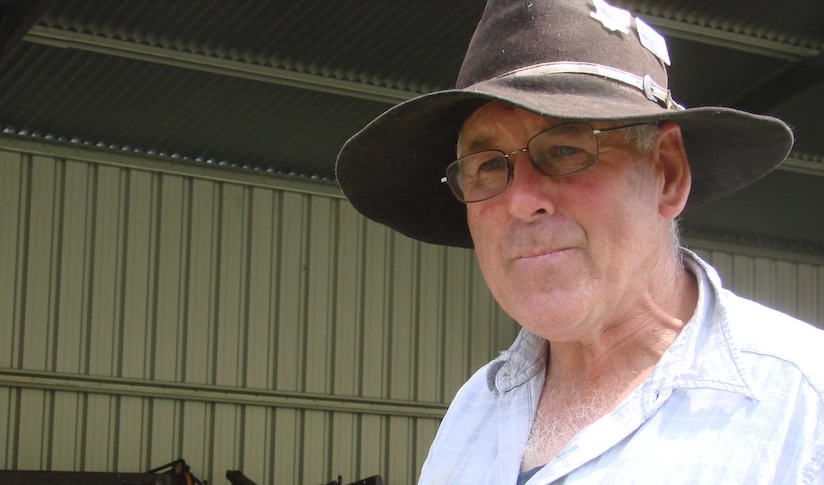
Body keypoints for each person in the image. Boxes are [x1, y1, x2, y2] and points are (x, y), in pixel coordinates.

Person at [336, 0, 824, 483]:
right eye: (486, 164)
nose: (522, 201)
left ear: (668, 173)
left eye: (566, 148)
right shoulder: (475, 409)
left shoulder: (803, 402)